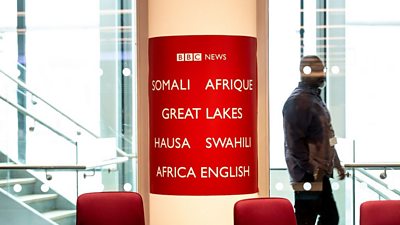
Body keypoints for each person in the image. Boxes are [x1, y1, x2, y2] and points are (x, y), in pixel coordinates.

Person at [282, 55, 346, 225]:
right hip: (307, 176)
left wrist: (336, 163)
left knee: (325, 217)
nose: (322, 74)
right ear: (305, 72)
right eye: (317, 70)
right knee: (310, 219)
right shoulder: (298, 102)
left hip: (318, 174)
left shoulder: (315, 100)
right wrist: (312, 170)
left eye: (322, 69)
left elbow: (328, 137)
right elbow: (294, 144)